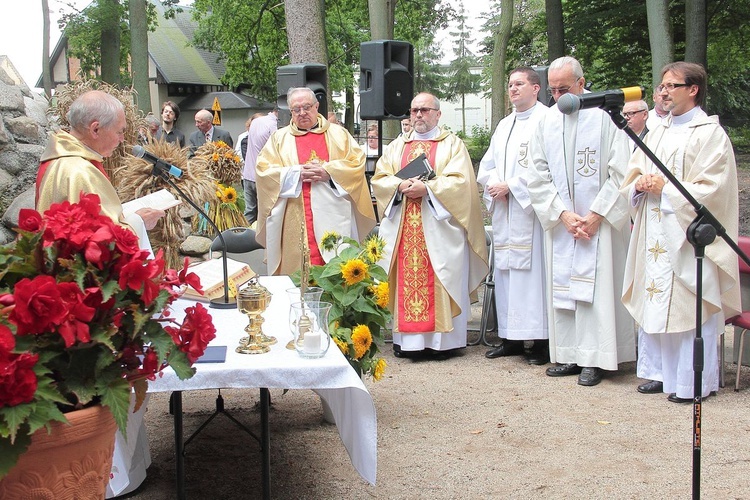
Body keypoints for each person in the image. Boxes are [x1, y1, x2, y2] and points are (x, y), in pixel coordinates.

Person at [35, 89, 164, 498]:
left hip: (72, 288)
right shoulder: (79, 170)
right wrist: (137, 221)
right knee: (105, 378)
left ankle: (128, 470)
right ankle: (109, 478)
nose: (122, 140)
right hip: (89, 295)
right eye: (119, 131)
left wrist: (125, 215)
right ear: (95, 128)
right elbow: (103, 237)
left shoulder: (64, 162)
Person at [621, 62, 740, 403]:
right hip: (654, 231)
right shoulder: (657, 131)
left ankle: (691, 384)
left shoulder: (710, 134)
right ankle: (661, 373)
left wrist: (667, 189)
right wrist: (640, 184)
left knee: (689, 306)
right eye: (662, 86)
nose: (664, 91)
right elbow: (634, 171)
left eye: (672, 85)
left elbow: (714, 188)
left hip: (686, 236)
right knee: (656, 302)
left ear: (693, 89)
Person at [526, 56, 635, 386]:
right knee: (565, 293)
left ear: (582, 83)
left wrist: (596, 214)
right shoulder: (546, 123)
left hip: (595, 224)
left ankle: (597, 359)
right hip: (564, 225)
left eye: (564, 89)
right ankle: (571, 354)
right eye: (553, 90)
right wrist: (562, 214)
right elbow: (537, 173)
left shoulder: (605, 120)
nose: (558, 96)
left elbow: (622, 171)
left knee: (596, 292)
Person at [371, 92, 488, 360]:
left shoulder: (453, 145)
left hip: (439, 228)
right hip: (404, 227)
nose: (419, 115)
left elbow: (462, 183)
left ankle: (443, 343)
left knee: (443, 275)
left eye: (424, 110)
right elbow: (380, 177)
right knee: (406, 279)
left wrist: (429, 189)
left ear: (437, 114)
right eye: (414, 111)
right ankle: (408, 343)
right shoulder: (397, 146)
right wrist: (398, 185)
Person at [255, 87, 376, 275]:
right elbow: (263, 171)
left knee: (336, 269)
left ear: (317, 106)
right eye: (296, 109)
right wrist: (295, 173)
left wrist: (328, 172)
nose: (302, 113)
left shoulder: (338, 134)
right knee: (297, 275)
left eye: (307, 107)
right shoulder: (279, 138)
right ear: (290, 111)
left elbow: (356, 165)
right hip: (294, 215)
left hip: (333, 214)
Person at [477, 67, 550, 364]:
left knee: (534, 279)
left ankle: (542, 341)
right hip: (506, 211)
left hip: (531, 215)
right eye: (510, 84)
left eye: (519, 84)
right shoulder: (505, 125)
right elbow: (487, 164)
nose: (513, 89)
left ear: (536, 88)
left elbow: (549, 168)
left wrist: (515, 186)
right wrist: (494, 184)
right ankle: (511, 339)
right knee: (506, 276)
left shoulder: (548, 120)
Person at [243, 108, 278, 225]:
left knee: (249, 211)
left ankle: (244, 239)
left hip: (248, 174)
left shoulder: (256, 122)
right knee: (266, 213)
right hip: (263, 177)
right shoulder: (274, 126)